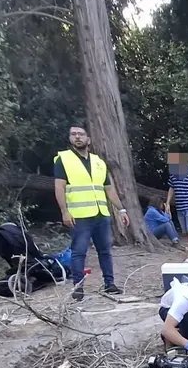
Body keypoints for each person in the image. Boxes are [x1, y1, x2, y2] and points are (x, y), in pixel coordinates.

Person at [53, 125, 130, 301]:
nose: (77, 137)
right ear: (70, 138)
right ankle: (78, 287)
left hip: (100, 214)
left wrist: (121, 209)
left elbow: (109, 189)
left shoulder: (98, 162)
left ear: (88, 139)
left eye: (81, 134)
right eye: (73, 134)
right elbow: (59, 187)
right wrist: (64, 211)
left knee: (105, 250)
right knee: (79, 252)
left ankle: (109, 284)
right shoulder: (63, 159)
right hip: (79, 215)